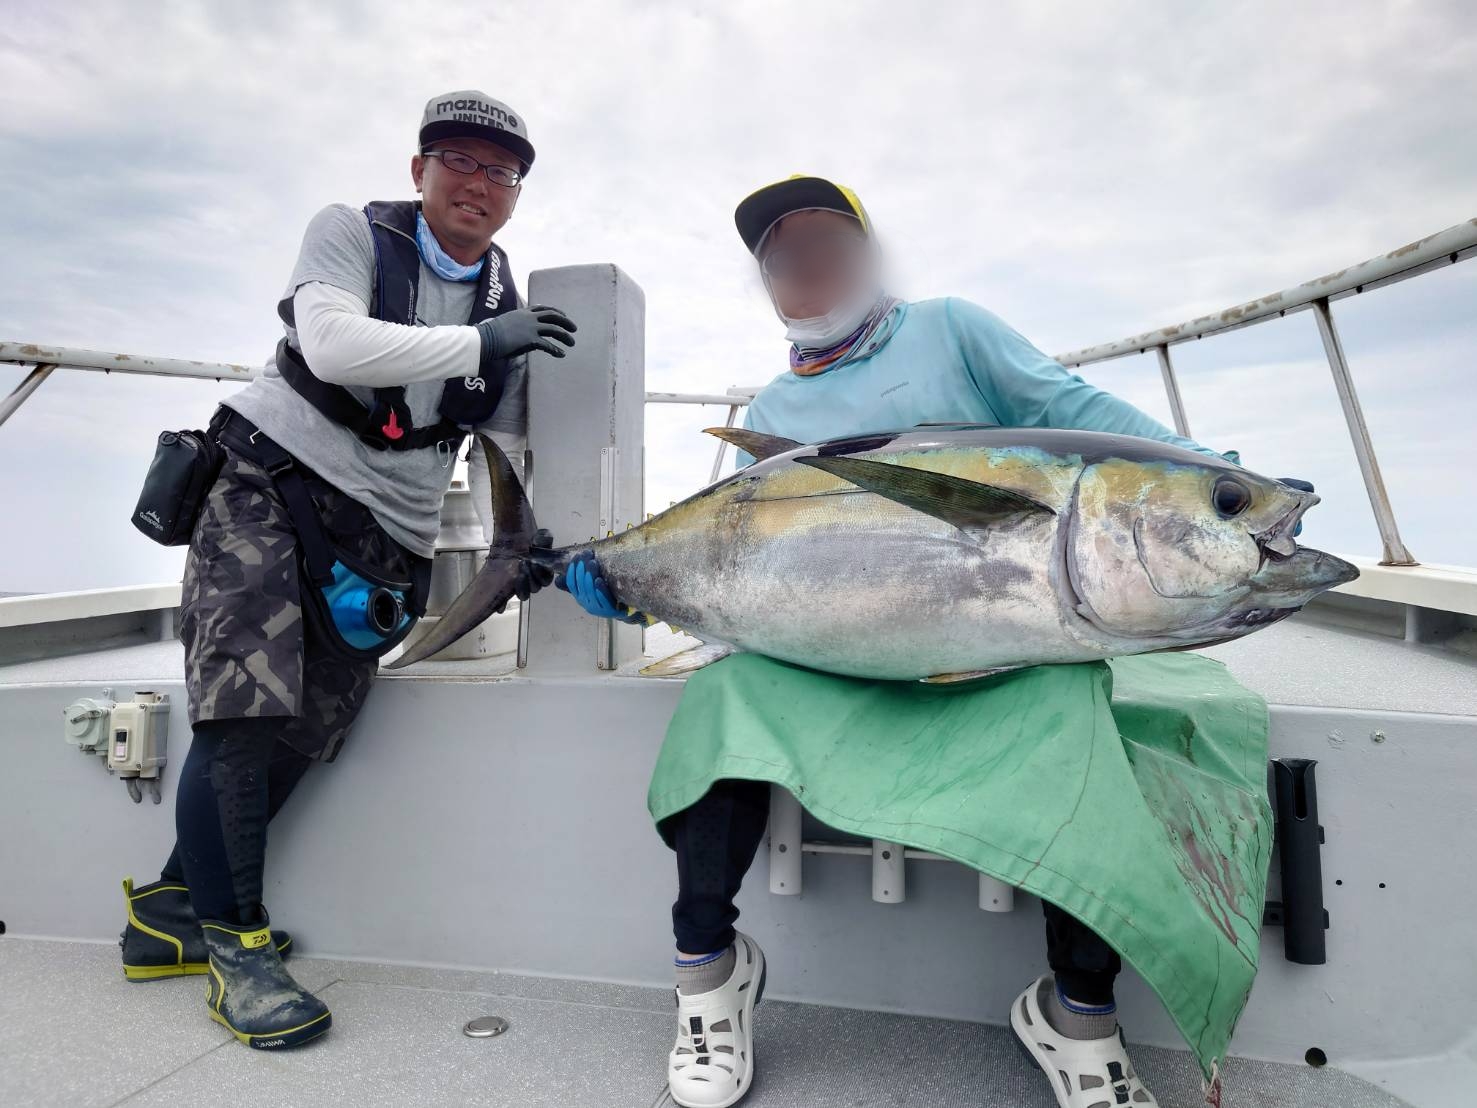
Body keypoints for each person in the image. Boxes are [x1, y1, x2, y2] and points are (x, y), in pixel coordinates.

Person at [562, 175, 1280, 1108]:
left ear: (865, 253)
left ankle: (1075, 1012)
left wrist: (1219, 480)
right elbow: (743, 564)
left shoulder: (950, 329)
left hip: (993, 644)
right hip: (842, 657)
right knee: (719, 703)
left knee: (1073, 701)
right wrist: (634, 586)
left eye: (824, 242)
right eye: (781, 257)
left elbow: (1083, 422)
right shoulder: (778, 399)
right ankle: (708, 974)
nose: (805, 266)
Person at [118, 90, 573, 1050]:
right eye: (458, 160)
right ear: (419, 172)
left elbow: (516, 428)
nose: (478, 184)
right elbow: (330, 342)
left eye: (502, 172)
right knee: (245, 710)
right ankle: (238, 955)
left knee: (307, 731)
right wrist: (481, 342)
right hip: (267, 480)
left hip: (386, 536)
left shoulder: (508, 305)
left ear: (516, 195)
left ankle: (167, 912)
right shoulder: (350, 235)